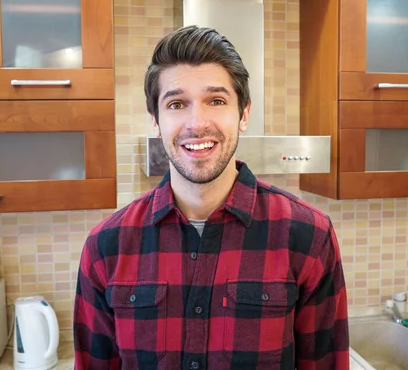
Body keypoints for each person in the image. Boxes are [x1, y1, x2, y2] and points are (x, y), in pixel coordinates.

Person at [73, 25, 349, 370]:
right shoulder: (106, 246)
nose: (197, 122)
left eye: (216, 101)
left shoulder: (307, 235)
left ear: (244, 114)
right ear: (156, 122)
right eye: (176, 104)